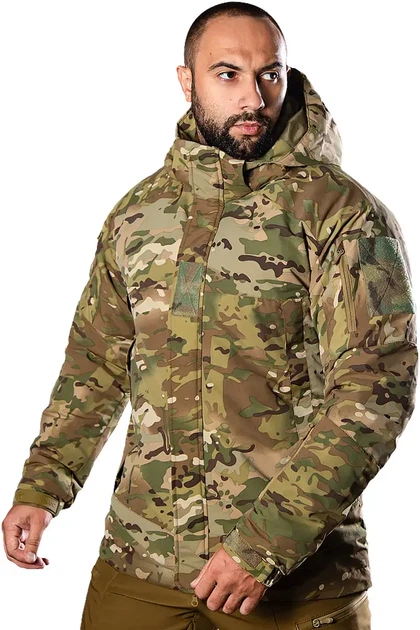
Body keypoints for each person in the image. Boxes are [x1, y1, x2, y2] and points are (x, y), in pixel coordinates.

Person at [2, 2, 417, 629]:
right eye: (227, 74)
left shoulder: (341, 212)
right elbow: (96, 364)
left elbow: (374, 390)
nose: (253, 97)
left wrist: (265, 544)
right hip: (140, 564)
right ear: (186, 80)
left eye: (270, 74)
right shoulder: (139, 215)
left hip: (293, 581)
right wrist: (44, 484)